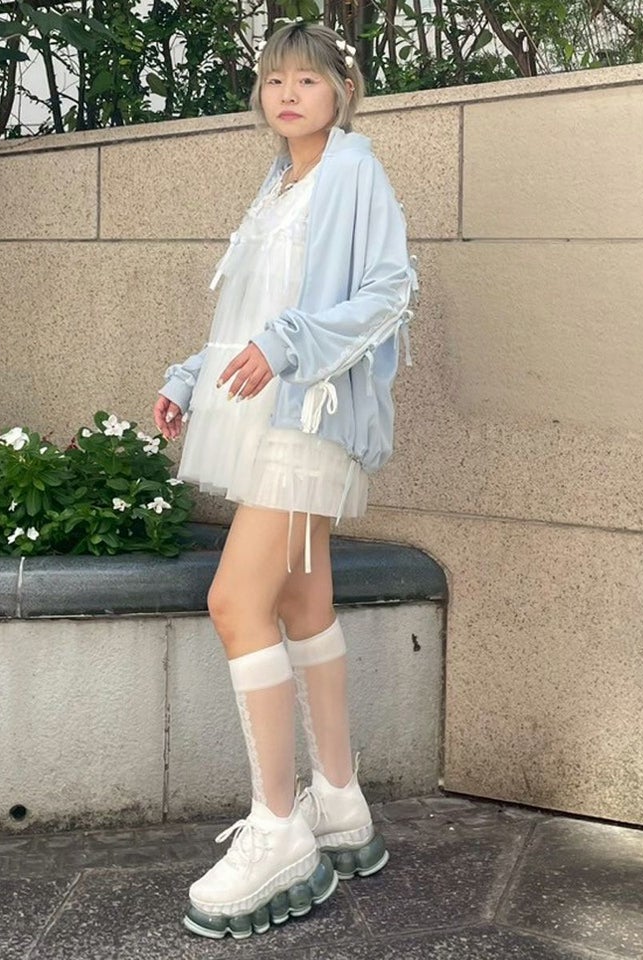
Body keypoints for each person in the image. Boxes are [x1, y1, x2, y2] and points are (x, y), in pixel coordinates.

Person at [153, 19, 416, 941]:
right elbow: (251, 315)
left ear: (343, 90)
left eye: (307, 79)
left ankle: (277, 833)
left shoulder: (353, 172)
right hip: (262, 414)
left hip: (307, 416)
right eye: (274, 81)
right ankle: (338, 804)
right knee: (302, 604)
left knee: (236, 601)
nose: (288, 94)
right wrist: (192, 379)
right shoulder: (278, 185)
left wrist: (290, 346)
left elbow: (388, 292)